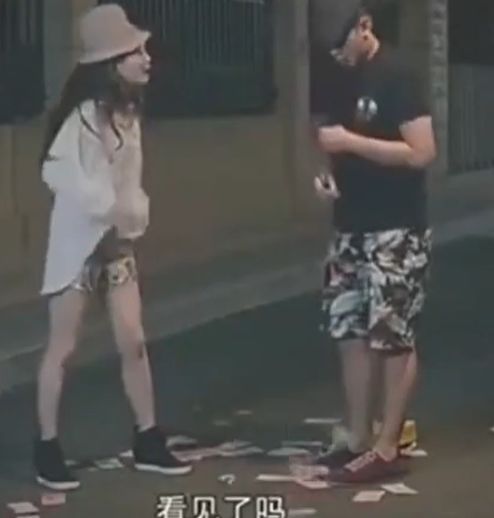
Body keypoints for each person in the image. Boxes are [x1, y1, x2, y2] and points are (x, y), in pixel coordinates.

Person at [34, 4, 192, 491]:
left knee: (134, 341)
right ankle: (47, 447)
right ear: (110, 63)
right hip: (78, 249)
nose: (146, 58)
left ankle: (148, 438)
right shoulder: (82, 118)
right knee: (62, 348)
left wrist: (130, 216)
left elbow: (130, 183)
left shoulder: (128, 114)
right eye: (135, 52)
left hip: (116, 246)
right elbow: (57, 173)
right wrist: (105, 208)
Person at [312, 0, 436, 483]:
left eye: (341, 45)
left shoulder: (398, 75)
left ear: (364, 27)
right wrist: (325, 174)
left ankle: (387, 445)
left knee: (392, 334)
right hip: (348, 224)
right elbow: (326, 140)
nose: (337, 56)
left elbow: (422, 152)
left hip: (396, 226)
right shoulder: (336, 77)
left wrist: (352, 143)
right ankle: (357, 437)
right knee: (349, 330)